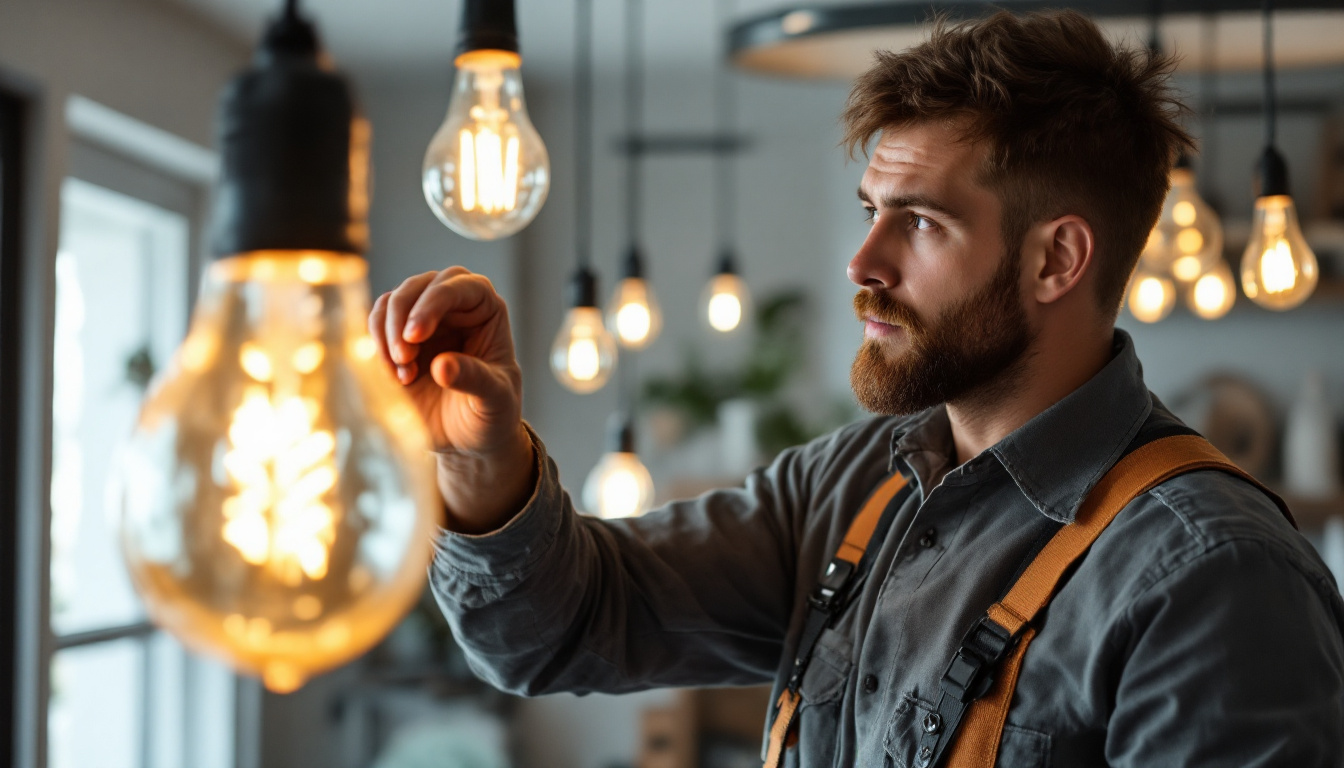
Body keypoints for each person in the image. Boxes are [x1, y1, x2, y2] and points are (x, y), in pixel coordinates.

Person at [370, 10, 1344, 767]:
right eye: (871, 211)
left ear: (1057, 260)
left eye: (918, 223)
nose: (861, 261)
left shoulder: (1212, 577)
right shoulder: (854, 485)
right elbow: (565, 630)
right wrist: (482, 466)